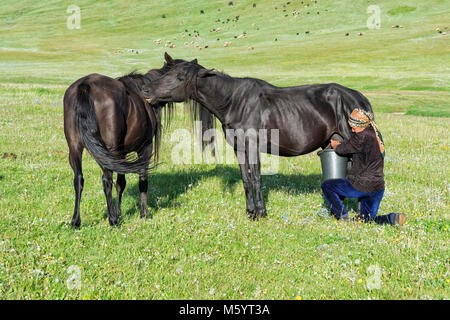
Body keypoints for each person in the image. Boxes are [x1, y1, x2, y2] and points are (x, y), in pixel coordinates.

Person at [321, 108, 405, 226]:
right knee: (365, 220)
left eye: (353, 126)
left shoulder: (361, 137)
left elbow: (342, 149)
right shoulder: (374, 133)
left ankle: (342, 217)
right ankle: (392, 219)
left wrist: (335, 145)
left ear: (361, 125)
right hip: (377, 188)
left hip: (361, 186)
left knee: (327, 186)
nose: (352, 130)